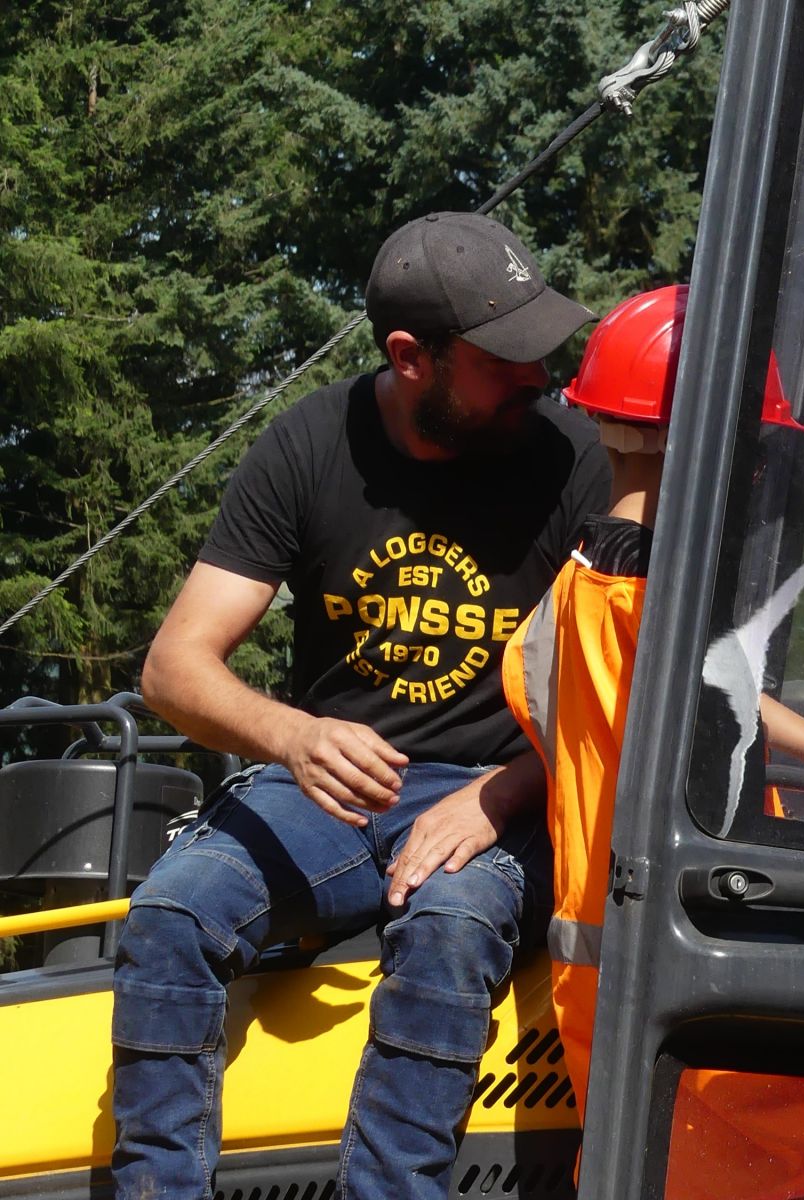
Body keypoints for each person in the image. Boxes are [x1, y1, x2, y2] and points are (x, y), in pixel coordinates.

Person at [112, 211, 611, 1200]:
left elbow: (625, 688)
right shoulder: (307, 444)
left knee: (452, 926)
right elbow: (174, 668)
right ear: (411, 357)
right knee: (170, 915)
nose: (539, 375)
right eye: (503, 359)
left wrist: (501, 794)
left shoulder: (574, 457)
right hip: (330, 793)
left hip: (507, 789)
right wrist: (293, 736)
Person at [502, 284, 804, 1200]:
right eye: (754, 448)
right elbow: (713, 689)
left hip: (602, 964)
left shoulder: (568, 596)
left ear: (602, 422)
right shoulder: (652, 600)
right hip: (692, 960)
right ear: (714, 447)